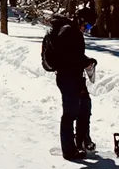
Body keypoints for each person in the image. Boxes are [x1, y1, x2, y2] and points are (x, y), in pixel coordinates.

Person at [41, 12, 97, 161]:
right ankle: (69, 150)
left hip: (75, 76)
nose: (87, 29)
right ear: (81, 20)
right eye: (88, 25)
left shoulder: (73, 32)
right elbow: (66, 56)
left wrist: (87, 61)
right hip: (67, 77)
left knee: (85, 106)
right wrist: (84, 62)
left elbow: (75, 54)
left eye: (91, 27)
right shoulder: (67, 31)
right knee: (71, 112)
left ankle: (82, 141)